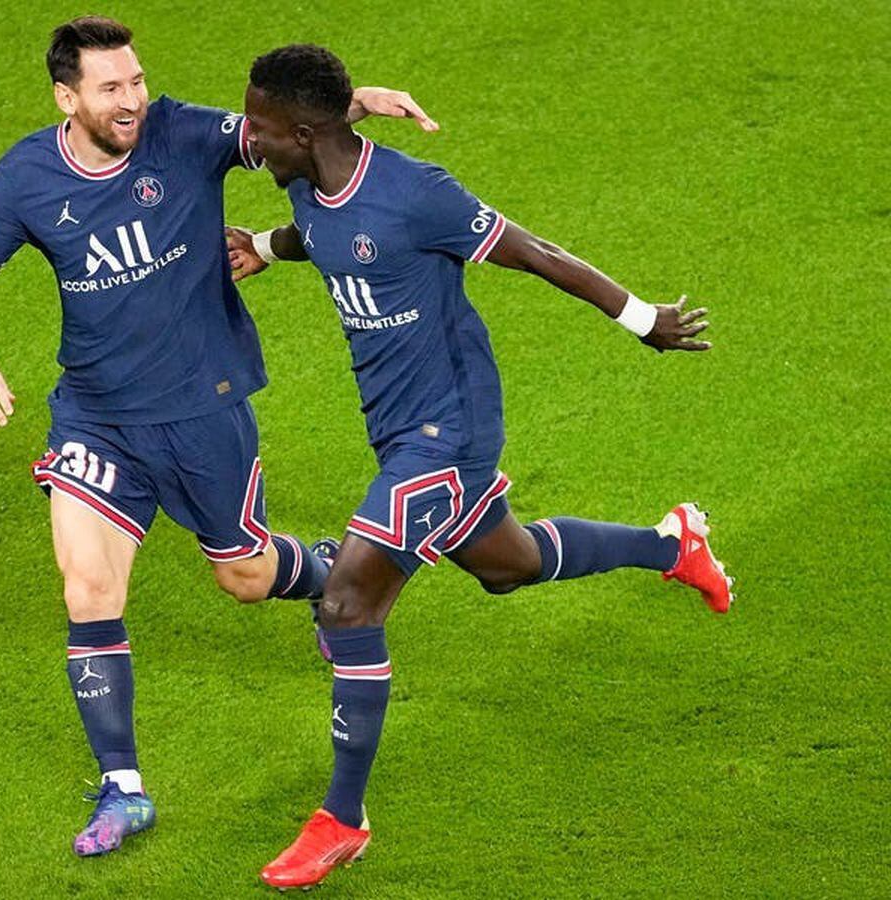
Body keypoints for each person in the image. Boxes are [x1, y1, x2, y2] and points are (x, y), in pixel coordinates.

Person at [226, 44, 734, 890]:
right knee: (508, 565)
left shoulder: (417, 194)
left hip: (449, 430)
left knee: (348, 604)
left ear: (305, 131)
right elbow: (325, 235)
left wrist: (643, 318)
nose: (248, 140)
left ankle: (341, 820)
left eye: (260, 127)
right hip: (395, 430)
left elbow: (533, 250)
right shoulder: (304, 184)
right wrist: (267, 252)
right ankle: (673, 545)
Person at [0, 17, 438, 857]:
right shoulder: (25, 176)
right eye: (110, 89)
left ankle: (319, 578)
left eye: (134, 81)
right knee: (87, 591)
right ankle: (123, 788)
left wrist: (353, 104)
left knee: (241, 574)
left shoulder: (181, 132)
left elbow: (275, 131)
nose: (131, 100)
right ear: (68, 97)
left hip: (202, 408)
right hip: (95, 414)